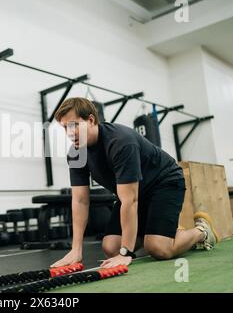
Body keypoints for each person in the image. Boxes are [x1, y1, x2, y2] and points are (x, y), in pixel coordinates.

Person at [51, 98, 219, 269]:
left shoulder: (120, 142)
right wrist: (76, 249)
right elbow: (80, 201)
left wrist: (126, 252)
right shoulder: (76, 154)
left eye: (74, 125)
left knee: (159, 248)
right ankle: (163, 231)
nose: (70, 133)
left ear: (91, 120)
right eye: (65, 127)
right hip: (135, 192)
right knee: (110, 247)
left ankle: (202, 231)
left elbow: (130, 201)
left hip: (164, 182)